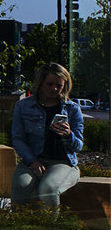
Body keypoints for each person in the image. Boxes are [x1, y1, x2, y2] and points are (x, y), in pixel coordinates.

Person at [9, 62, 85, 209]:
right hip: (33, 160)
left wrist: (68, 135)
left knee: (48, 189)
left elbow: (79, 145)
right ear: (40, 83)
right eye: (49, 84)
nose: (54, 89)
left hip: (63, 162)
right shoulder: (23, 106)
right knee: (21, 187)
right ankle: (20, 229)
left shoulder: (72, 109)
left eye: (59, 85)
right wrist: (32, 162)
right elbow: (18, 139)